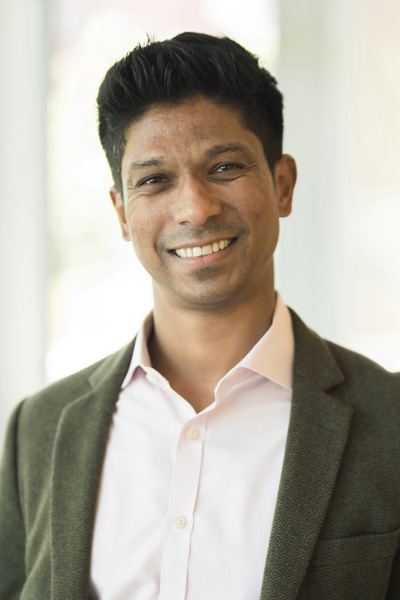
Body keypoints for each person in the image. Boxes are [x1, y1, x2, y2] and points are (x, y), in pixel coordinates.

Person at [0, 32, 399, 600]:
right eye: (154, 180)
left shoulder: (390, 423)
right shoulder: (38, 430)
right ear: (120, 211)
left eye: (225, 167)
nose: (195, 208)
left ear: (281, 185)